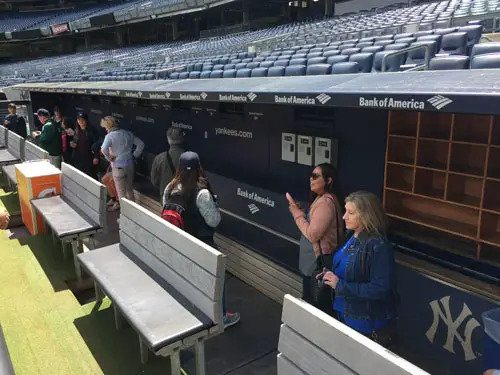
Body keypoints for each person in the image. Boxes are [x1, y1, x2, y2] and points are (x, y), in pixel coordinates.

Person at [162, 151, 240, 328]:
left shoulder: (170, 187)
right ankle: (221, 317)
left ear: (179, 169)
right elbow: (214, 220)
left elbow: (165, 208)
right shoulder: (201, 192)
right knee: (216, 281)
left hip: (179, 242)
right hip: (202, 244)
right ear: (199, 168)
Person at [320, 191, 397, 346]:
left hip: (366, 325)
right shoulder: (351, 235)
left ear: (366, 216)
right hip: (344, 314)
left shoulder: (378, 246)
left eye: (351, 213)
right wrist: (330, 275)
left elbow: (380, 289)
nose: (344, 217)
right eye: (345, 211)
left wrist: (339, 285)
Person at [286, 163, 343, 314]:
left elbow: (313, 234)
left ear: (329, 180)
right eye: (311, 176)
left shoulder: (325, 202)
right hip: (314, 263)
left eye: (316, 176)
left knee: (314, 304)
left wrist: (296, 214)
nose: (311, 179)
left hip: (317, 264)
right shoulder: (323, 199)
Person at [100, 116, 144, 206]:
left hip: (118, 166)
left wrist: (109, 158)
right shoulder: (128, 133)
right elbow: (141, 144)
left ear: (108, 126)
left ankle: (124, 218)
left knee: (121, 195)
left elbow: (103, 149)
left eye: (105, 127)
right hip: (130, 164)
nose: (105, 129)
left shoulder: (109, 136)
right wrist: (135, 155)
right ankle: (134, 215)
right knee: (130, 190)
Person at [151, 127, 185, 199]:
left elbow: (154, 181)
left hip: (165, 197)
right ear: (182, 139)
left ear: (168, 139)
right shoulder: (188, 158)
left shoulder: (159, 158)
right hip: (183, 198)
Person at [71, 112, 98, 178]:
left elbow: (96, 144)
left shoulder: (91, 130)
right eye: (79, 120)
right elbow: (75, 141)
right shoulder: (77, 130)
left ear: (86, 120)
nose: (81, 122)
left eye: (82, 120)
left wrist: (96, 157)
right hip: (78, 157)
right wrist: (73, 144)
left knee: (90, 176)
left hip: (88, 157)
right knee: (80, 176)